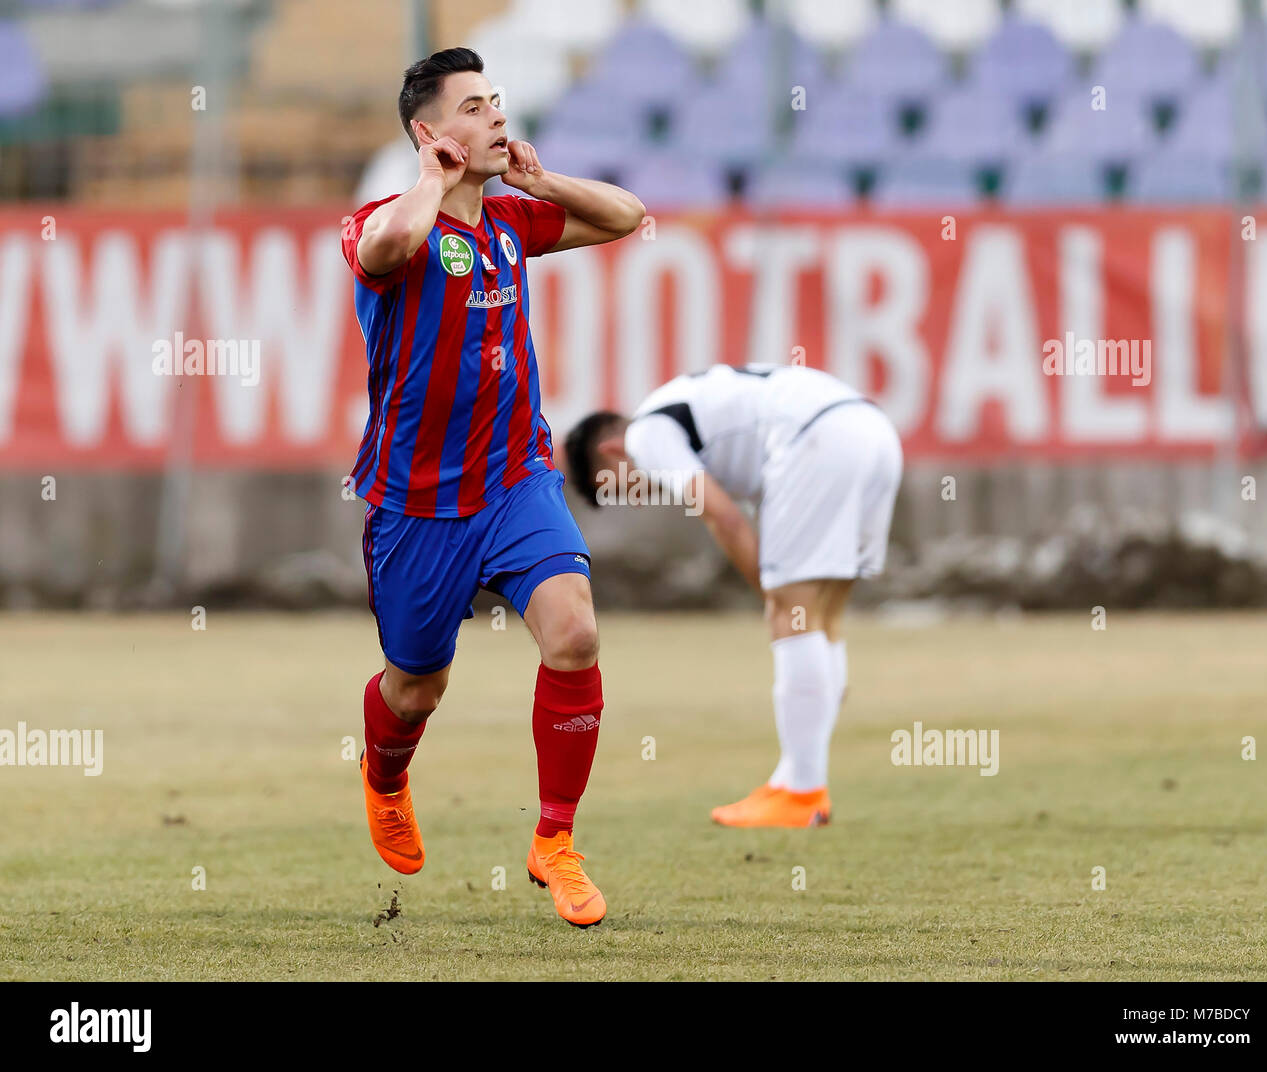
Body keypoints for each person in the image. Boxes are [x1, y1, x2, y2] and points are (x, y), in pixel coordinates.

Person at [341, 47, 644, 927]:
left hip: (517, 480)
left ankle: (554, 842)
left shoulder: (511, 222)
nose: (497, 119)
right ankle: (387, 774)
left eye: (499, 102)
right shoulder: (381, 224)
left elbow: (626, 217)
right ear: (428, 132)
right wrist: (431, 182)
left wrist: (546, 187)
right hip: (416, 505)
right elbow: (393, 244)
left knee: (575, 633)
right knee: (416, 687)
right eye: (474, 108)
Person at [565, 363, 902, 828]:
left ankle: (803, 792)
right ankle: (795, 780)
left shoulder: (646, 434)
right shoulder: (690, 408)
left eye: (621, 487)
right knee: (822, 618)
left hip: (817, 440)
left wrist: (772, 597)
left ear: (612, 451)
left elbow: (723, 518)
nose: (637, 498)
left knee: (792, 613)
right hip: (872, 430)